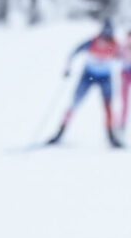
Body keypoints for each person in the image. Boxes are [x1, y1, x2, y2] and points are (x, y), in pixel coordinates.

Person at [46, 19, 125, 149]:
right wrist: (68, 68)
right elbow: (74, 52)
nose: (106, 40)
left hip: (105, 77)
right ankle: (60, 132)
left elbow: (124, 58)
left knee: (108, 106)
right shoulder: (92, 42)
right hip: (87, 76)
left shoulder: (115, 44)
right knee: (74, 103)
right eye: (105, 36)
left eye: (108, 37)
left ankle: (111, 135)